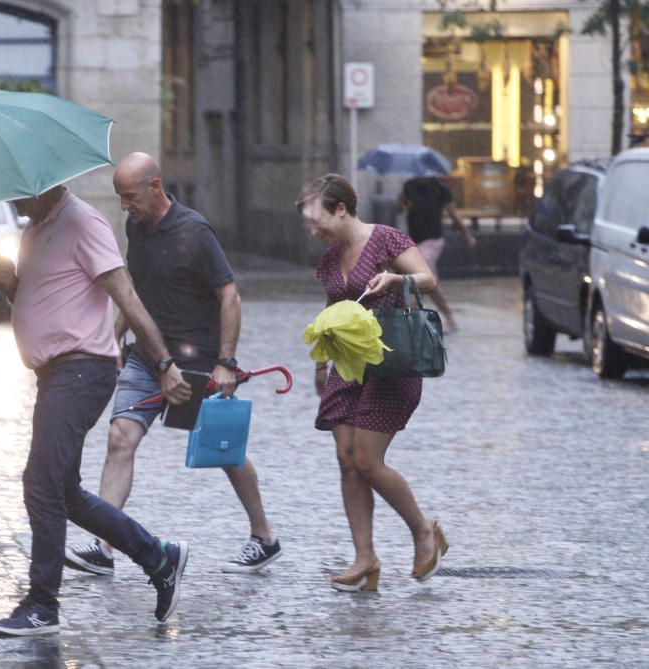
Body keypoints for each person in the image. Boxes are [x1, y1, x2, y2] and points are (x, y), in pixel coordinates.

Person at [0, 183, 193, 637]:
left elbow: (126, 295)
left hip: (81, 372)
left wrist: (162, 364)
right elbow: (36, 302)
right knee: (63, 491)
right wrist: (9, 285)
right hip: (55, 375)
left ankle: (43, 604)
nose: (11, 204)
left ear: (43, 185)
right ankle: (159, 558)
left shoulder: (83, 222)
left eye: (17, 195)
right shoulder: (33, 229)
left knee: (40, 484)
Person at [65, 152, 282, 576]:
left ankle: (264, 537)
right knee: (119, 439)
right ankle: (104, 547)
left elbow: (229, 296)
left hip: (197, 363)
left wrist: (226, 363)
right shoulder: (135, 227)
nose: (125, 207)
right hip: (148, 357)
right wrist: (111, 338)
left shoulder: (194, 232)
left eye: (130, 197)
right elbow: (135, 290)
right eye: (119, 199)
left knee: (225, 450)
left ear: (155, 186)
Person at [298, 174, 448, 592]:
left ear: (341, 209)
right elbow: (333, 303)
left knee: (367, 461)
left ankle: (423, 531)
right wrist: (320, 363)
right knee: (347, 460)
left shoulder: (386, 240)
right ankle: (364, 557)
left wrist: (397, 279)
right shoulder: (330, 258)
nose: (314, 231)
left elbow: (429, 280)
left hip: (390, 363)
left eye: (317, 220)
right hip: (347, 367)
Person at [398, 176, 476, 331]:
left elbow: (454, 214)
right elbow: (401, 208)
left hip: (433, 240)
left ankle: (407, 323)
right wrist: (403, 202)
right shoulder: (409, 186)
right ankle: (449, 317)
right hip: (414, 242)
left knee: (417, 277)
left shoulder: (441, 189)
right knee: (430, 282)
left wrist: (466, 235)